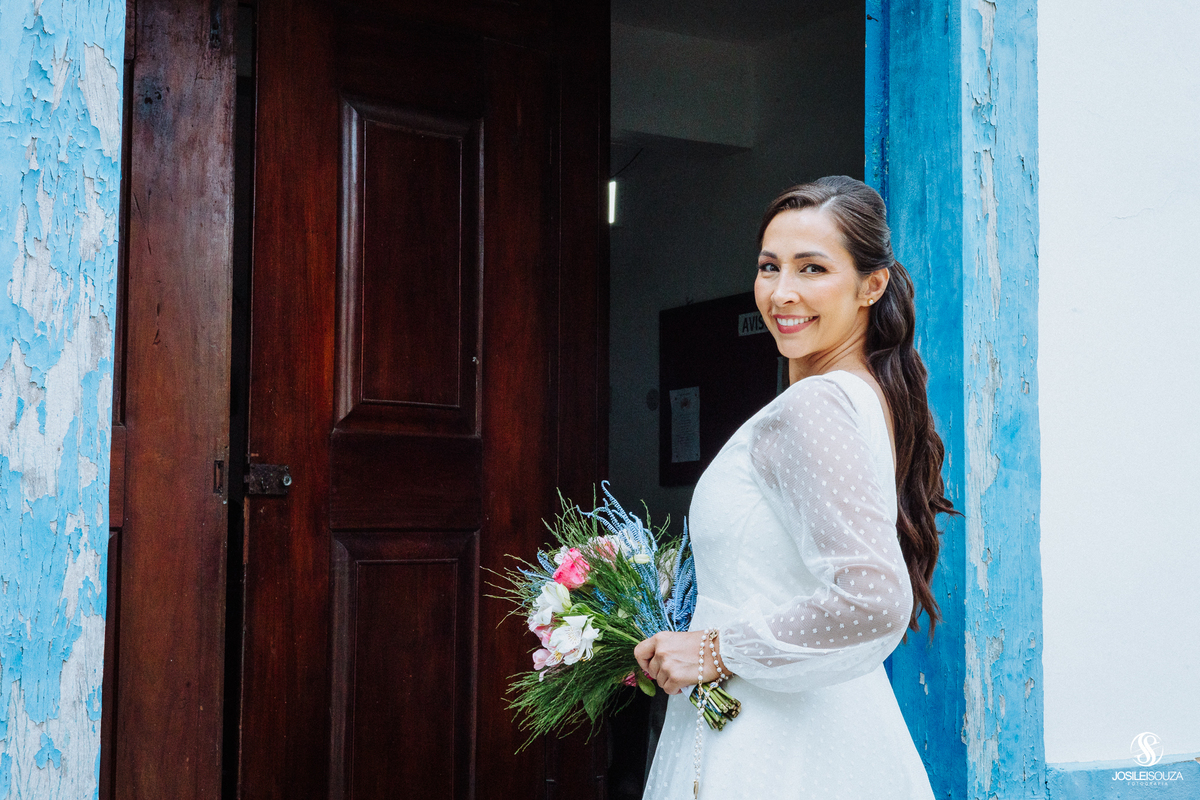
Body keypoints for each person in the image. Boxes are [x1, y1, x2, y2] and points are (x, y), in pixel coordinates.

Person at [634, 176, 955, 799]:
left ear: (871, 285)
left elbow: (874, 599)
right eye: (769, 267)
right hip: (818, 729)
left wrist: (717, 650)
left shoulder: (814, 406)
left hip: (775, 749)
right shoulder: (862, 397)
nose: (782, 292)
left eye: (812, 268)